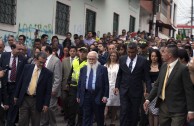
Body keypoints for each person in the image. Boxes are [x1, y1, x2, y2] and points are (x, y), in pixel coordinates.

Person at [144, 44, 194, 126]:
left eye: (164, 52)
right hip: (163, 107)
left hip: (178, 109)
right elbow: (157, 85)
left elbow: (189, 91)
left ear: (169, 55)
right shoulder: (164, 66)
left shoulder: (183, 69)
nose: (162, 54)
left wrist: (191, 111)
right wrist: (148, 100)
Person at [114, 42, 151, 126]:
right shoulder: (122, 59)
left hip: (136, 91)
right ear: (127, 50)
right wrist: (117, 86)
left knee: (134, 113)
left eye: (133, 52)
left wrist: (149, 90)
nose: (130, 54)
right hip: (124, 90)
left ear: (137, 51)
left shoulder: (143, 61)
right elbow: (120, 74)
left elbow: (147, 78)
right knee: (124, 111)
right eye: (129, 52)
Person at [14, 52, 53, 126]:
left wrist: (46, 104)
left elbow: (48, 91)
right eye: (40, 62)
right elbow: (20, 82)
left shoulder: (48, 73)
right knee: (22, 121)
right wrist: (16, 95)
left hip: (37, 100)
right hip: (25, 98)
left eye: (43, 63)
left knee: (35, 122)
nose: (41, 64)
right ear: (36, 60)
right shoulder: (27, 68)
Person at [77, 51, 109, 126]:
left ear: (97, 59)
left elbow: (106, 84)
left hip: (98, 95)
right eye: (89, 59)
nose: (91, 61)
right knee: (86, 116)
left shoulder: (103, 69)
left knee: (99, 117)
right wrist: (78, 95)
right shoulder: (83, 69)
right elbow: (80, 83)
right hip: (86, 95)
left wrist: (105, 96)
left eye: (93, 59)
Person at [0, 43, 27, 126]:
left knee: (13, 107)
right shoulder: (4, 55)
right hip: (4, 86)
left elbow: (23, 74)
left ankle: (10, 123)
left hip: (15, 86)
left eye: (22, 49)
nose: (21, 51)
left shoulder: (23, 59)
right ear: (12, 48)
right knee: (4, 106)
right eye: (19, 49)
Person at [41, 45, 62, 126]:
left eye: (42, 50)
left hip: (52, 90)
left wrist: (54, 90)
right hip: (43, 89)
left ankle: (53, 124)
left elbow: (58, 77)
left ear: (47, 51)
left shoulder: (56, 61)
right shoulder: (42, 60)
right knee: (44, 109)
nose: (40, 52)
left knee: (50, 109)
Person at [67, 47, 88, 126]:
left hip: (83, 87)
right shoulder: (75, 61)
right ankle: (71, 123)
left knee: (80, 107)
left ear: (86, 53)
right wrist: (68, 82)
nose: (82, 54)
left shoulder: (88, 62)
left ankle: (80, 123)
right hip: (73, 86)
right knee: (71, 105)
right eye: (80, 52)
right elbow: (71, 71)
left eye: (84, 52)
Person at [61, 46, 77, 121]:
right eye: (71, 51)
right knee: (64, 99)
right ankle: (66, 114)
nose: (72, 52)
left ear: (76, 52)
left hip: (74, 84)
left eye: (74, 51)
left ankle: (71, 116)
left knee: (72, 102)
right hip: (65, 83)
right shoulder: (64, 60)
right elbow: (62, 72)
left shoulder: (78, 60)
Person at [104, 51, 120, 126]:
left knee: (114, 105)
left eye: (114, 56)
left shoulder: (119, 66)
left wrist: (118, 87)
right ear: (109, 56)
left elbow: (120, 77)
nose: (113, 57)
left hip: (115, 87)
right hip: (106, 86)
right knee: (106, 104)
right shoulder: (105, 65)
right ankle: (103, 121)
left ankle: (112, 121)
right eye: (111, 55)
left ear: (117, 57)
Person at [147, 49, 162, 126]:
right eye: (152, 56)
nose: (154, 58)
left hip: (158, 90)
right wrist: (145, 90)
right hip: (149, 89)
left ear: (158, 57)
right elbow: (145, 79)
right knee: (149, 111)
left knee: (156, 112)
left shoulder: (162, 66)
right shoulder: (147, 66)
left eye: (155, 56)